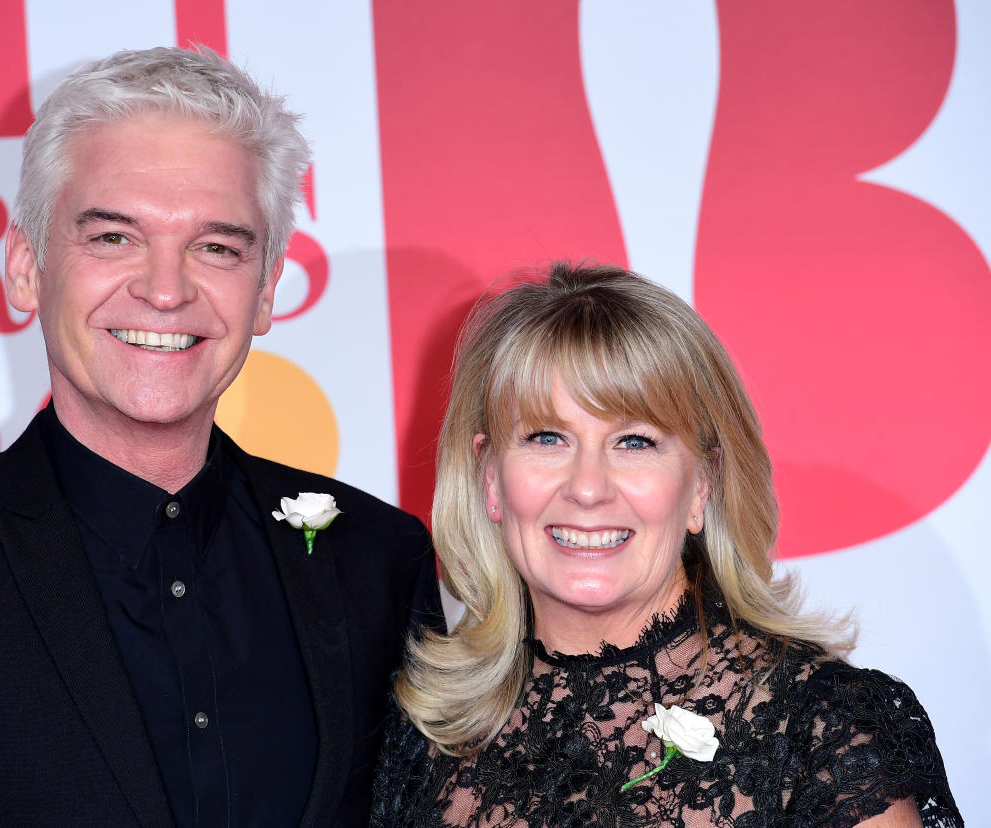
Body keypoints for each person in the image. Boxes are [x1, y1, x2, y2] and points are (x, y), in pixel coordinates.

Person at [0, 47, 441, 827]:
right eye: (114, 237)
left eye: (217, 247)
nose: (164, 289)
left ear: (265, 291)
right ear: (26, 267)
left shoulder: (377, 558)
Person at [372, 262, 961, 827]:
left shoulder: (817, 727)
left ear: (702, 482)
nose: (587, 488)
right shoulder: (425, 734)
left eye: (634, 442)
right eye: (547, 437)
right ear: (489, 477)